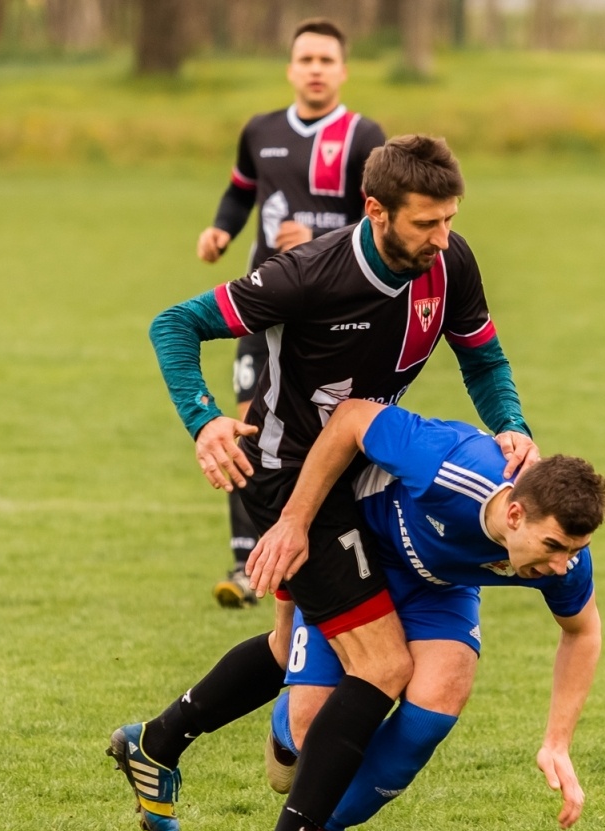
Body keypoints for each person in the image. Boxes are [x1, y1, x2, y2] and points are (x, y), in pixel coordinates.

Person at [111, 135, 538, 831]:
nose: (443, 239)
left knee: (288, 644)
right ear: (375, 210)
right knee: (382, 663)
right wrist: (205, 418)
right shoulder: (306, 275)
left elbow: (483, 355)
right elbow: (172, 325)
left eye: (450, 220)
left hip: (358, 466)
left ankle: (156, 742)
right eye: (426, 224)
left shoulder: (452, 261)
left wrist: (512, 423)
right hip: (284, 482)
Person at [246, 400, 605, 831]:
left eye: (575, 550)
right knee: (306, 729)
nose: (561, 565)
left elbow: (582, 632)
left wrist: (557, 743)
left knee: (438, 699)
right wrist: (293, 521)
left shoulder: (563, 562)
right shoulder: (450, 462)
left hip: (440, 588)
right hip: (361, 558)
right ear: (515, 513)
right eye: (552, 547)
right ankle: (285, 728)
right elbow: (353, 417)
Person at [197, 18, 387, 609]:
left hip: (332, 314)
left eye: (326, 60)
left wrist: (322, 228)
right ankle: (247, 560)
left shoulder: (362, 136)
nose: (315, 69)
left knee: (325, 432)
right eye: (305, 59)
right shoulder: (260, 130)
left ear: (343, 70)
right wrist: (221, 229)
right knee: (249, 424)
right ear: (289, 68)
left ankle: (325, 547)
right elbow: (240, 191)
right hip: (266, 305)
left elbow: (383, 221)